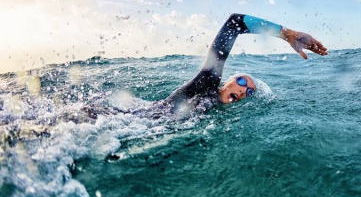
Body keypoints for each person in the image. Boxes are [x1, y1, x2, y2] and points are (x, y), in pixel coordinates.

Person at [84, 13, 327, 119]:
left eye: (249, 91)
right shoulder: (207, 83)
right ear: (227, 81)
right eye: (242, 81)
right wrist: (288, 34)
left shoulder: (218, 112)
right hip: (121, 117)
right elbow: (234, 23)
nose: (243, 90)